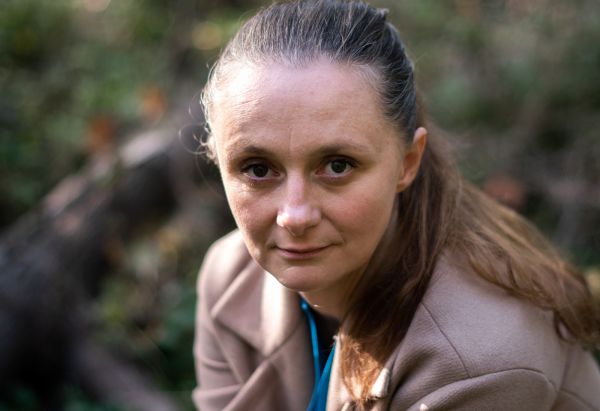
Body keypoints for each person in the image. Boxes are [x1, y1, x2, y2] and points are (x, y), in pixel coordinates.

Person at [191, 1, 600, 410]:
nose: (295, 216)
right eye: (258, 169)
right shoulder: (230, 278)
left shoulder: (478, 360)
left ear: (407, 162)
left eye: (338, 165)